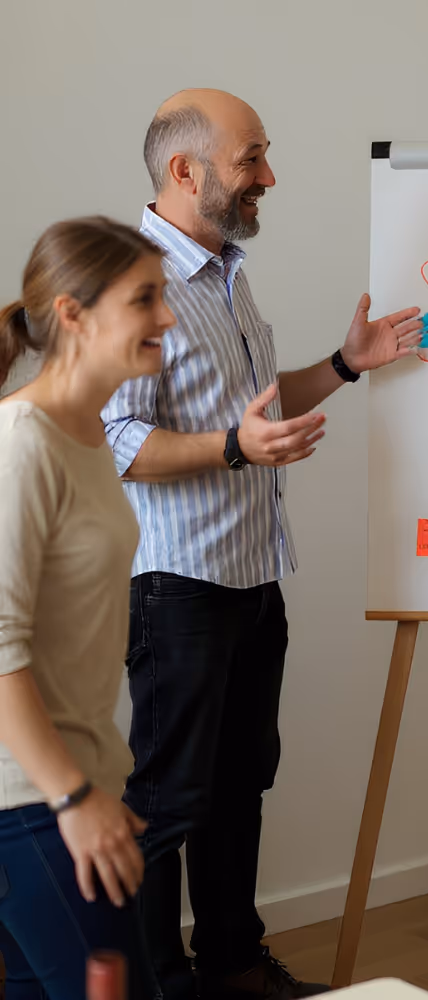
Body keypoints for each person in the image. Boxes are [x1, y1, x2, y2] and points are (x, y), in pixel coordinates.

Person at [101, 89, 423, 1000]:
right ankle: (159, 983)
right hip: (180, 588)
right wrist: (235, 447)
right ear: (184, 170)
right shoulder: (133, 281)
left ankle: (234, 964)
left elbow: (254, 403)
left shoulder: (226, 273)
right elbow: (120, 441)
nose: (268, 176)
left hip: (251, 580)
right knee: (167, 805)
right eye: (252, 159)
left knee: (241, 785)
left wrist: (346, 365)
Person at [0, 216, 176, 1000]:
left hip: (75, 780)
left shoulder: (88, 435)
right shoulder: (22, 446)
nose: (166, 318)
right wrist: (73, 797)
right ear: (73, 314)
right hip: (29, 798)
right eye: (146, 299)